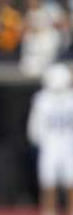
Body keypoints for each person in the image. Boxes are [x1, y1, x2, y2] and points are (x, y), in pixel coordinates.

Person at [28, 63, 73, 215]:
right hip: (62, 146)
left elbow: (34, 130)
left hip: (56, 146)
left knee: (52, 182)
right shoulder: (42, 98)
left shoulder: (42, 99)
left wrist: (36, 140)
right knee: (52, 182)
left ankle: (50, 211)